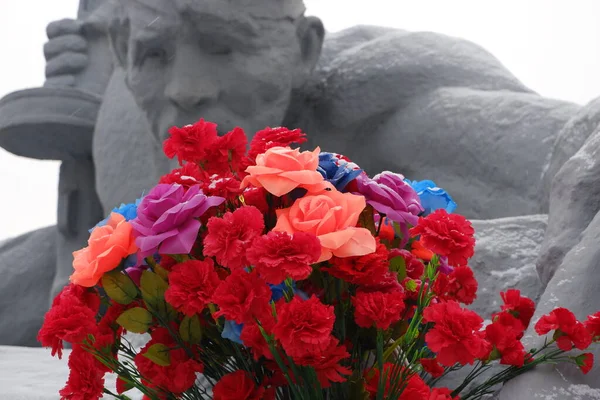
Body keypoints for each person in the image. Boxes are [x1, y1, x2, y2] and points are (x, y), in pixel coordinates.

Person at [1, 3, 599, 394]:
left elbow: (581, 157)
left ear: (305, 49)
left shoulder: (381, 94)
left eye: (225, 46)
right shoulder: (124, 117)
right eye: (153, 55)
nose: (185, 90)